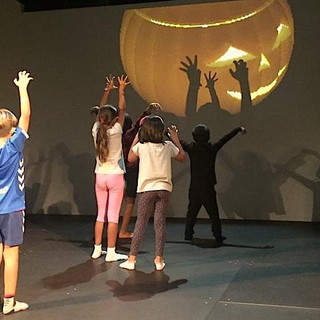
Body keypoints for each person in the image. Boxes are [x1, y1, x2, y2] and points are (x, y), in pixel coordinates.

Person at [119, 116, 186, 271]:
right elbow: (182, 157)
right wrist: (176, 139)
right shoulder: (167, 146)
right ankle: (159, 260)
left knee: (141, 222)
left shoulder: (142, 147)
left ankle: (132, 259)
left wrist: (137, 136)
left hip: (146, 189)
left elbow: (130, 158)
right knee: (160, 223)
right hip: (164, 189)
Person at [0, 71, 33, 315]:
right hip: (11, 208)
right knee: (11, 254)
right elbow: (26, 115)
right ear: (11, 131)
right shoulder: (13, 145)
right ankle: (9, 302)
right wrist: (22, 87)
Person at [181, 124, 246, 245]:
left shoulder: (191, 148)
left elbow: (178, 142)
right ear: (208, 136)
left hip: (195, 187)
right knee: (213, 214)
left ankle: (188, 234)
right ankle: (218, 236)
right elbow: (224, 139)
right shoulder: (212, 148)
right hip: (208, 187)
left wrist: (167, 133)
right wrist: (237, 129)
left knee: (192, 212)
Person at [91, 74, 130, 262]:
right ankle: (111, 251)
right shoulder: (116, 131)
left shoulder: (96, 130)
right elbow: (122, 109)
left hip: (100, 176)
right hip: (114, 177)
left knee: (101, 214)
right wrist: (121, 90)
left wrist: (106, 91)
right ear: (114, 119)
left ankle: (97, 248)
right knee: (112, 215)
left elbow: (101, 112)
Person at [119, 103, 162, 239]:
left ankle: (115, 229)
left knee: (119, 201)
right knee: (130, 202)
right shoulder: (130, 135)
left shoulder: (114, 135)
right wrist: (148, 110)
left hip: (118, 170)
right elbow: (139, 124)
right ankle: (123, 230)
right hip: (131, 171)